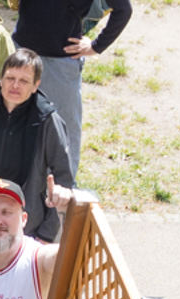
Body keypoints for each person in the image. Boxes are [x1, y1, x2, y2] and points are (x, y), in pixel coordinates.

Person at [0, 50, 76, 243]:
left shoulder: (46, 119)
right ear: (1, 79)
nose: (15, 86)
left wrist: (46, 234)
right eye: (10, 78)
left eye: (24, 81)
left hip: (26, 226)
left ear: (36, 86)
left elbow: (63, 177)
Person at [14, 0, 128, 182]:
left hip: (60, 64)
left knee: (62, 132)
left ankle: (63, 189)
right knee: (15, 126)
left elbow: (123, 9)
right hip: (20, 51)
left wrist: (96, 46)